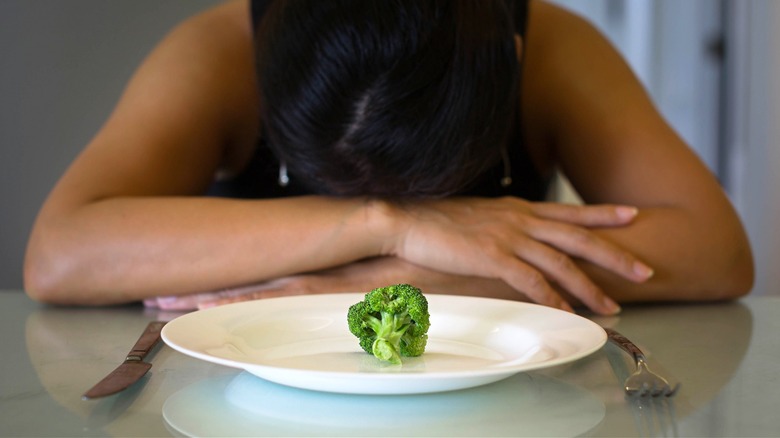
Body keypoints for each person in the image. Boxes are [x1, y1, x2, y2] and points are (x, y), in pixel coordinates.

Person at [23, 0, 753, 315]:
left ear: (510, 64)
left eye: (426, 193)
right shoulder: (216, 54)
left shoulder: (554, 51)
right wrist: (388, 225)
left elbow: (716, 251)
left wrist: (396, 277)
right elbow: (60, 255)